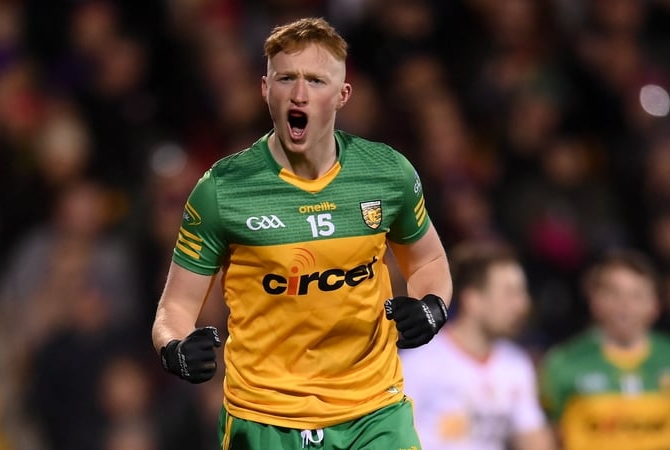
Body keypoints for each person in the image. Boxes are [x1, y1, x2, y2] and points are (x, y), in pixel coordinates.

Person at [151, 17, 453, 450]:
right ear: (265, 89)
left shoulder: (388, 174)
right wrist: (175, 348)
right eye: (286, 78)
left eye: (315, 80)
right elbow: (176, 305)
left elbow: (429, 261)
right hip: (265, 419)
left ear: (342, 95)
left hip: (374, 410)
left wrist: (432, 307)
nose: (299, 93)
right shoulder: (223, 189)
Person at [539, 249, 670, 450]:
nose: (625, 306)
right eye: (614, 294)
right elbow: (543, 438)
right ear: (595, 302)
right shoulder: (562, 362)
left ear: (655, 305)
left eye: (637, 295)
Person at [401, 242, 555, 450]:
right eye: (510, 293)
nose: (523, 304)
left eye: (522, 293)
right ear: (472, 299)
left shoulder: (516, 364)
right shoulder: (418, 361)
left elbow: (533, 437)